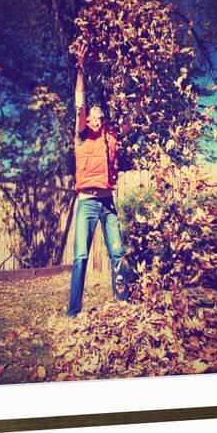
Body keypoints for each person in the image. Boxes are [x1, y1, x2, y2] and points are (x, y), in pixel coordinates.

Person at [66, 42, 130, 317]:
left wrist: (141, 89)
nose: (95, 116)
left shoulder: (111, 136)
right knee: (81, 257)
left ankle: (124, 303)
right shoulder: (82, 135)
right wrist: (81, 66)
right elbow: (80, 101)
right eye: (91, 115)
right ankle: (74, 311)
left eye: (99, 114)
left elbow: (133, 117)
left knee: (118, 253)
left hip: (108, 205)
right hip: (87, 204)